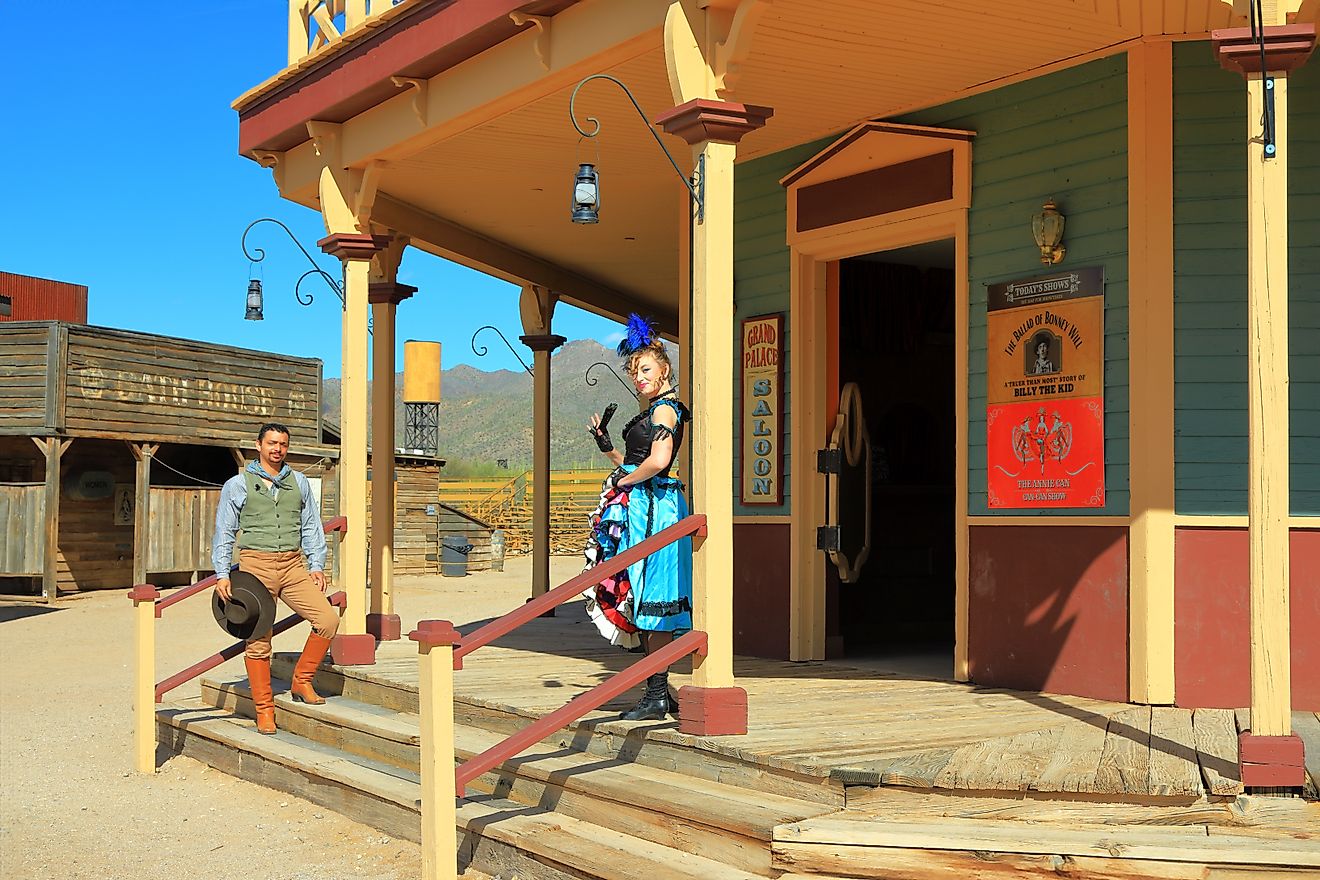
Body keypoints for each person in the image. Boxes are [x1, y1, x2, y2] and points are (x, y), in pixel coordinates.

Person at [583, 314, 691, 722]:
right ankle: (658, 691)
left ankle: (657, 694)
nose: (638, 378)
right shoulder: (655, 411)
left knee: (652, 594)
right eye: (634, 372)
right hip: (645, 502)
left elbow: (659, 461)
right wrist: (609, 449)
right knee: (642, 592)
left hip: (655, 508)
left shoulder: (665, 412)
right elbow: (637, 462)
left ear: (664, 368)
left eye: (645, 370)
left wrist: (624, 481)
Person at [212, 422, 336, 735]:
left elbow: (311, 525)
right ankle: (264, 710)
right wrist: (223, 573)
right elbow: (225, 531)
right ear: (259, 445)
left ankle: (301, 681)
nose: (277, 449)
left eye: (282, 444)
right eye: (271, 443)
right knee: (258, 641)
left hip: (293, 565)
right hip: (255, 566)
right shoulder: (238, 484)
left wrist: (316, 564)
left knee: (327, 620)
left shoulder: (299, 481)